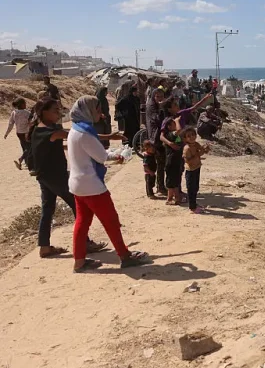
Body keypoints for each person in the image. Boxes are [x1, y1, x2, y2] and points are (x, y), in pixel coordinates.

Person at [67, 96, 148, 272]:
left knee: (82, 223)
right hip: (91, 185)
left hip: (77, 184)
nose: (101, 113)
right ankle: (125, 256)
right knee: (110, 220)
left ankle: (79, 261)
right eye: (97, 109)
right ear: (88, 111)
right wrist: (118, 156)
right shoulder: (85, 133)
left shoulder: (75, 129)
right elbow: (102, 156)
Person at [28, 98, 107, 258]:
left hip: (44, 177)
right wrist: (109, 136)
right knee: (78, 207)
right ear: (44, 112)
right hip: (56, 177)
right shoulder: (50, 131)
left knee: (47, 210)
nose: (59, 113)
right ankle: (84, 243)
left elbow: (66, 143)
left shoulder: (40, 129)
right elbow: (79, 136)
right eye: (55, 110)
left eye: (59, 109)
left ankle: (44, 246)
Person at [146, 87, 168, 195]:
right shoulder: (152, 107)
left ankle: (160, 186)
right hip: (155, 139)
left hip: (158, 137)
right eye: (157, 96)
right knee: (156, 165)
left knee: (160, 165)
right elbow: (158, 120)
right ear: (153, 96)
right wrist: (160, 107)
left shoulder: (156, 106)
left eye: (162, 96)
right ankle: (156, 188)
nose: (160, 98)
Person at [183, 127, 209, 214]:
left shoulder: (196, 144)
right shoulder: (187, 148)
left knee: (196, 188)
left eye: (193, 135)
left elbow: (201, 152)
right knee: (191, 189)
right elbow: (187, 161)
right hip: (190, 170)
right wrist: (197, 155)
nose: (192, 137)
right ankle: (192, 208)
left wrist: (205, 149)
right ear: (185, 138)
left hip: (197, 168)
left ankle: (194, 204)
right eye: (189, 136)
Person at [161, 117, 184, 205]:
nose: (176, 125)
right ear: (169, 126)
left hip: (176, 161)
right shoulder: (170, 135)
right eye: (173, 124)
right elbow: (179, 130)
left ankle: (173, 198)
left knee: (175, 180)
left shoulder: (174, 136)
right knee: (172, 181)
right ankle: (172, 198)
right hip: (171, 161)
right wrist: (177, 121)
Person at [5, 98, 31, 170]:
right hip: (26, 133)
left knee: (24, 147)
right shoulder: (27, 113)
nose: (26, 105)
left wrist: (7, 133)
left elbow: (10, 124)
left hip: (19, 133)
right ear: (22, 104)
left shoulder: (14, 113)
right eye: (25, 103)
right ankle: (21, 159)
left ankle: (27, 162)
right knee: (30, 147)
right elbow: (30, 123)